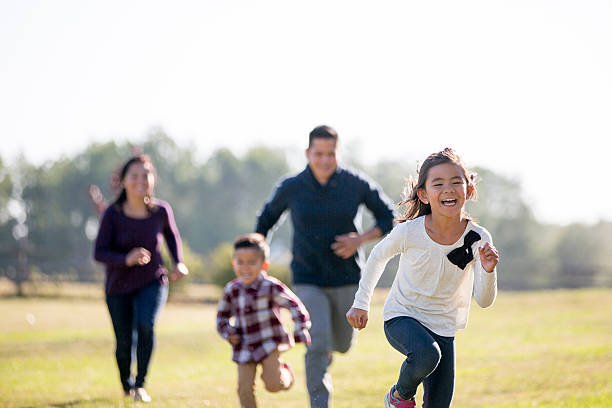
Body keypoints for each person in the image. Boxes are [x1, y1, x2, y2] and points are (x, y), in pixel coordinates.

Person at [346, 148, 500, 408]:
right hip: (403, 316)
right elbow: (377, 256)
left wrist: (488, 269)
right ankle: (399, 397)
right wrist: (361, 302)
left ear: (469, 190)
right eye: (438, 184)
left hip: (444, 327)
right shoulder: (409, 232)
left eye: (455, 182)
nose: (448, 189)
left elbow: (484, 301)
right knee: (427, 354)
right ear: (424, 194)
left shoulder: (479, 238)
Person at [255, 125, 395, 407]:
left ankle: (328, 349)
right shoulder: (291, 186)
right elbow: (265, 221)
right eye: (318, 154)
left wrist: (361, 239)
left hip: (346, 278)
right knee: (316, 340)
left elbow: (388, 216)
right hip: (307, 279)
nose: (324, 160)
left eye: (330, 154)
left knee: (341, 343)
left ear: (337, 153)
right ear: (308, 153)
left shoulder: (355, 183)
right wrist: (257, 259)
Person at [93, 154, 189, 402]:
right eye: (134, 175)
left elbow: (171, 237)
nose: (140, 180)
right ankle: (126, 384)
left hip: (152, 280)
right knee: (124, 342)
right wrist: (127, 258)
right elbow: (99, 252)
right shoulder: (112, 214)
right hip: (118, 286)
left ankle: (140, 384)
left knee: (146, 325)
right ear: (123, 181)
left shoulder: (161, 211)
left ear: (153, 179)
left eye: (145, 175)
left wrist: (178, 262)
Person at [216, 233, 311, 408]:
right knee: (243, 389)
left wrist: (301, 328)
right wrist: (228, 333)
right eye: (240, 262)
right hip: (244, 345)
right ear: (233, 263)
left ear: (264, 264)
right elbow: (221, 317)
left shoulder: (271, 287)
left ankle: (286, 374)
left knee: (273, 385)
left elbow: (295, 306)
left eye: (252, 262)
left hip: (269, 343)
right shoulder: (232, 290)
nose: (245, 267)